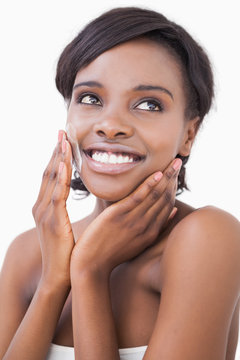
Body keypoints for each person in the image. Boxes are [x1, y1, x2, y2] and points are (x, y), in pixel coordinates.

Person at [0, 6, 239, 360]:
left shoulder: (207, 238)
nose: (110, 125)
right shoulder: (28, 253)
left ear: (189, 133)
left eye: (148, 104)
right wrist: (54, 281)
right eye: (90, 99)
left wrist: (89, 272)